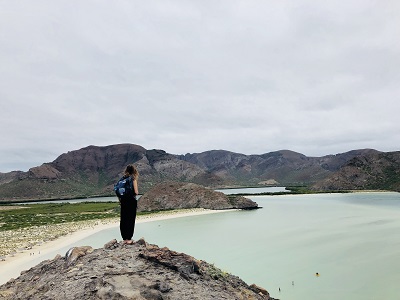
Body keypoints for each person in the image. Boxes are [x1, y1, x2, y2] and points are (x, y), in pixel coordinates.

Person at [118, 164, 139, 245]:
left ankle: (124, 238)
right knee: (130, 219)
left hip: (123, 201)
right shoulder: (133, 179)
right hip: (131, 201)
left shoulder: (122, 179)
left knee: (123, 219)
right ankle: (129, 239)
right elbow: (136, 192)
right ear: (134, 171)